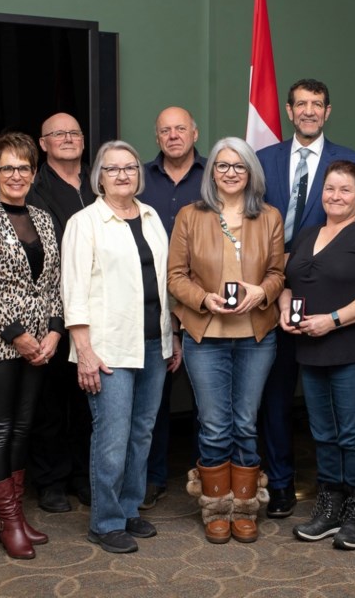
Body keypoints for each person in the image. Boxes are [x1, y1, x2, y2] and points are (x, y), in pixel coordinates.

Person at [61, 140, 180, 554]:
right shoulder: (85, 222)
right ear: (99, 177)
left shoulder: (149, 218)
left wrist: (172, 336)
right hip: (107, 348)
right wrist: (84, 350)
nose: (123, 174)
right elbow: (73, 291)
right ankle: (105, 521)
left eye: (130, 167)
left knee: (141, 433)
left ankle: (129, 509)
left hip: (152, 342)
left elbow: (163, 283)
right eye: (113, 169)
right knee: (111, 436)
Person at [257, 78, 355, 518]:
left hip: (329, 296)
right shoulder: (264, 160)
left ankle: (347, 491)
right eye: (300, 104)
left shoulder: (351, 161)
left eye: (316, 104)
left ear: (328, 111)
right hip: (274, 294)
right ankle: (281, 482)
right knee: (276, 394)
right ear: (289, 110)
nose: (308, 111)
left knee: (340, 407)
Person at [168, 137, 284, 544]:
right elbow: (175, 277)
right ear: (211, 172)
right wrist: (204, 299)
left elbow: (277, 272)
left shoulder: (269, 216)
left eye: (239, 165)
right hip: (205, 335)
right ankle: (217, 507)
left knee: (246, 423)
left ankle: (246, 507)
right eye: (222, 165)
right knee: (215, 425)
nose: (231, 172)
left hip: (256, 336)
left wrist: (261, 293)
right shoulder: (189, 216)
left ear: (250, 172)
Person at [0, 132, 64, 559]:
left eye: (24, 167)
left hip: (41, 342)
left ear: (33, 172)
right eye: (8, 168)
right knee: (0, 428)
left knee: (23, 427)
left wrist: (54, 331)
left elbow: (54, 282)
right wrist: (19, 336)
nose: (17, 175)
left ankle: (15, 517)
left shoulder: (42, 219)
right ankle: (7, 520)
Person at [281, 160, 355, 550]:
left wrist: (332, 320)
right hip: (310, 352)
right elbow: (288, 281)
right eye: (330, 188)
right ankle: (329, 505)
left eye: (345, 190)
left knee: (354, 433)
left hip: (353, 352)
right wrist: (284, 309)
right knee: (323, 432)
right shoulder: (308, 234)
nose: (336, 196)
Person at [26, 113, 97, 513]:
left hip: (95, 307)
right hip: (51, 310)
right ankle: (51, 481)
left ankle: (83, 477)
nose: (67, 139)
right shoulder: (33, 189)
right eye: (58, 134)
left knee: (89, 400)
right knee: (51, 402)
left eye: (74, 133)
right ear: (43, 143)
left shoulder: (100, 182)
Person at [138, 106, 206, 508]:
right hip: (150, 299)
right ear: (157, 136)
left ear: (195, 133)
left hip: (205, 301)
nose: (174, 135)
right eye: (166, 130)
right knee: (153, 399)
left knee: (207, 401)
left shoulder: (216, 175)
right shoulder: (139, 177)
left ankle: (207, 474)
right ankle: (152, 477)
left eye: (181, 128)